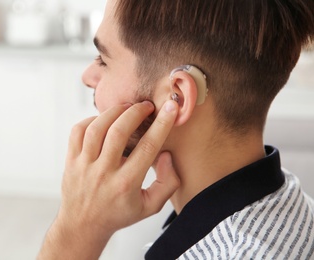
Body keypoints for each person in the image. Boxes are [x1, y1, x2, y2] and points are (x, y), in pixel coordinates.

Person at [38, 0, 314, 259]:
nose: (88, 77)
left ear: (177, 97)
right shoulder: (289, 205)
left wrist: (78, 230)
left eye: (104, 60)